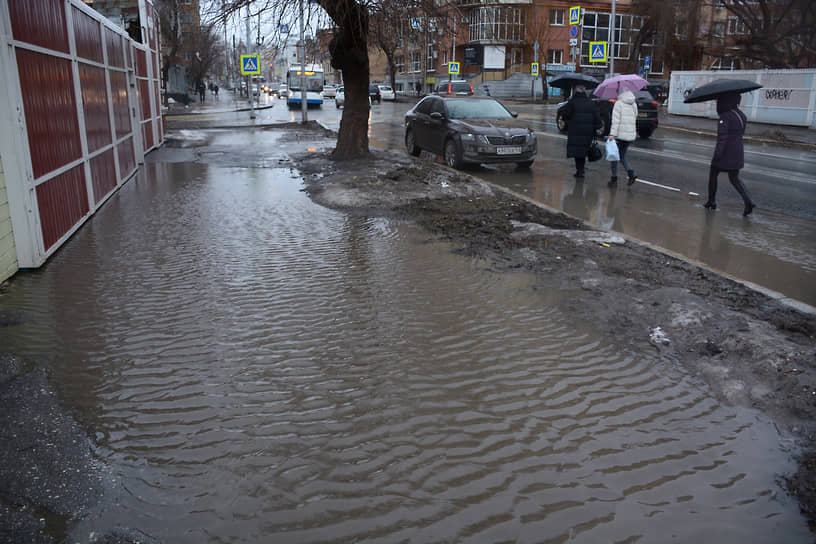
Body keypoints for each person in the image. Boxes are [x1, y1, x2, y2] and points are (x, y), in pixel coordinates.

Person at [705, 92, 754, 216]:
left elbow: (723, 137)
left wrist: (717, 154)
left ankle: (711, 201)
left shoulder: (725, 116)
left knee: (713, 174)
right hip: (737, 151)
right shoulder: (741, 115)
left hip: (726, 152)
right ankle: (748, 201)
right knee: (734, 178)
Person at [563, 84, 602, 179]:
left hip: (575, 131)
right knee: (583, 150)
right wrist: (597, 127)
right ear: (584, 91)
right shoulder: (590, 103)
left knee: (577, 151)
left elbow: (565, 115)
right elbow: (597, 118)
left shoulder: (572, 102)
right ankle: (581, 170)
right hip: (588, 132)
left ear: (576, 91)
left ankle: (580, 170)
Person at [607, 88, 638, 186]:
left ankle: (614, 179)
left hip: (620, 135)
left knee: (614, 157)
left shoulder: (618, 104)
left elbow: (616, 121)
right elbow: (635, 117)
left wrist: (612, 135)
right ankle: (631, 173)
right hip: (629, 135)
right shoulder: (633, 103)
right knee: (622, 156)